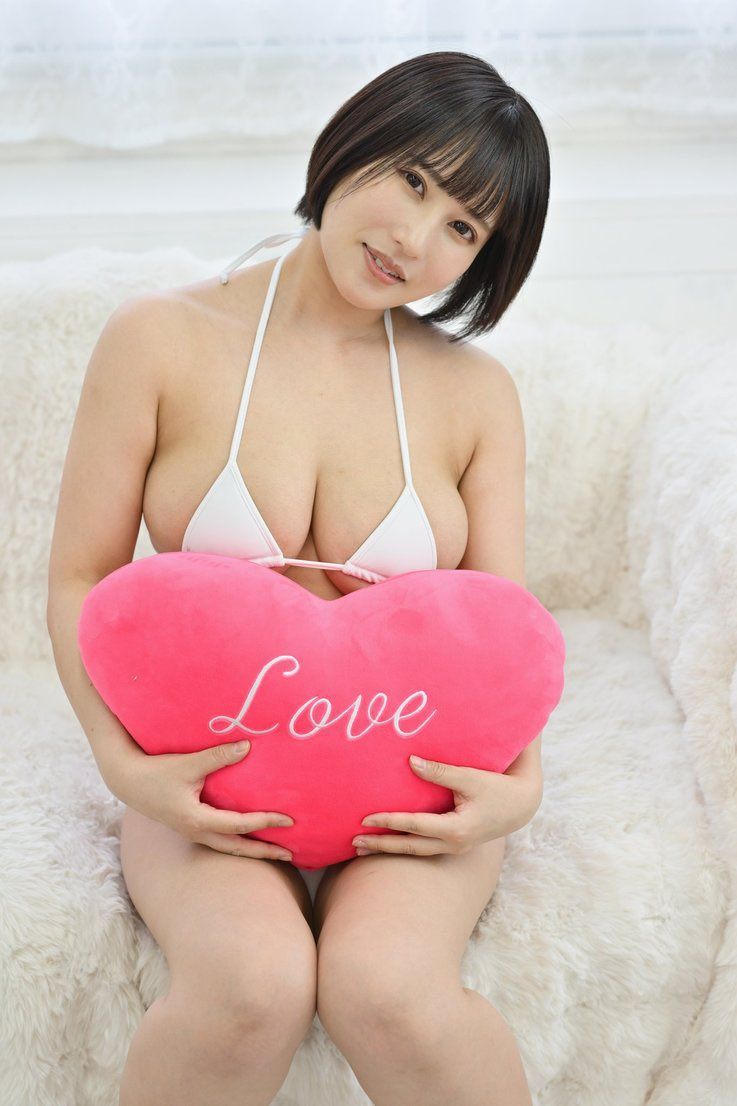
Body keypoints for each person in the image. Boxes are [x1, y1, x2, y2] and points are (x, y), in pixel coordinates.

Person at [47, 48, 550, 1106]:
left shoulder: (474, 395)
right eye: (411, 179)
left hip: (409, 787)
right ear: (351, 144)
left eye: (463, 226)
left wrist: (518, 789)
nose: (414, 238)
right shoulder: (160, 339)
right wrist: (125, 767)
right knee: (251, 985)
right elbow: (82, 577)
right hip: (215, 775)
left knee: (388, 988)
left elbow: (504, 635)